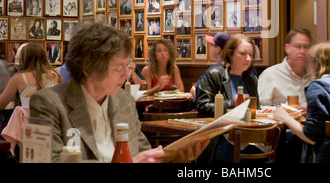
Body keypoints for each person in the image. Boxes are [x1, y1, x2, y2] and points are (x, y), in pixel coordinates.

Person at [29, 23, 207, 162]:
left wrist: (176, 158)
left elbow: (144, 154)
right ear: (88, 68)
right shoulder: (45, 103)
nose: (126, 74)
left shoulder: (124, 101)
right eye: (118, 67)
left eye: (128, 65)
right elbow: (39, 159)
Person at [196, 34, 259, 162]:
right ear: (230, 54)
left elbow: (255, 109)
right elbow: (203, 108)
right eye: (243, 54)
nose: (248, 59)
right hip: (219, 136)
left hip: (247, 134)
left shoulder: (251, 78)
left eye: (250, 55)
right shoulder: (214, 75)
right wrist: (232, 103)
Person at [258, 28, 315, 163]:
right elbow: (260, 111)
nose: (302, 51)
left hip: (310, 135)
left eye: (306, 47)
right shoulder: (271, 75)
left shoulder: (314, 76)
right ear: (287, 48)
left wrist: (310, 110)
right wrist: (285, 112)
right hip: (280, 140)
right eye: (297, 46)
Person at [0, 43, 61, 109]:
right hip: (52, 118)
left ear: (24, 59)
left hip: (28, 119)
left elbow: (1, 104)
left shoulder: (19, 78)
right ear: (44, 57)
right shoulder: (55, 75)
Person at [192, 32, 231, 103]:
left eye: (211, 45)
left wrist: (195, 93)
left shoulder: (212, 72)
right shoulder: (234, 68)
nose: (209, 47)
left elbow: (200, 100)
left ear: (218, 49)